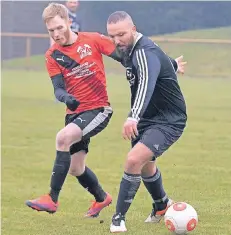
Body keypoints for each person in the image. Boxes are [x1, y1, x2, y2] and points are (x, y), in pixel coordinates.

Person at [25, 3, 121, 218]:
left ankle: (52, 198)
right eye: (51, 30)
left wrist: (165, 65)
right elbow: (58, 89)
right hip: (74, 114)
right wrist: (65, 97)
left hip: (98, 109)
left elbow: (125, 56)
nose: (56, 34)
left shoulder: (93, 40)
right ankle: (101, 197)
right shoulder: (52, 55)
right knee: (76, 168)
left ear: (69, 22)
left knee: (62, 138)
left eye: (60, 27)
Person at [106, 11, 187, 233]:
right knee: (145, 166)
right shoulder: (129, 49)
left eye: (121, 34)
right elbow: (158, 60)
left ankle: (118, 219)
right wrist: (171, 63)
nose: (116, 40)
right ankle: (161, 205)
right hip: (148, 119)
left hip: (168, 120)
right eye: (112, 36)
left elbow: (146, 85)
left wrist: (133, 115)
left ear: (133, 29)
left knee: (133, 160)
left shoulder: (143, 51)